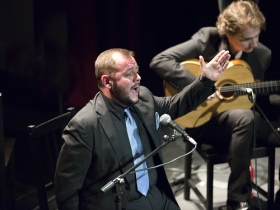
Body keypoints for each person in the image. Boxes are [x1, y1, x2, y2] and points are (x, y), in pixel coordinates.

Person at [54, 48, 230, 209]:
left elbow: (174, 105)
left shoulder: (143, 97)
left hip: (155, 195)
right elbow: (67, 192)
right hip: (119, 204)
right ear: (107, 82)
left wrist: (205, 80)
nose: (138, 78)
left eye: (136, 71)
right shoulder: (85, 126)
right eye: (129, 74)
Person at [150, 0, 280, 209]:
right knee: (246, 118)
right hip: (203, 120)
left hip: (240, 123)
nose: (253, 43)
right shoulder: (207, 38)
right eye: (246, 39)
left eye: (257, 36)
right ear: (228, 33)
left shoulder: (262, 54)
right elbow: (160, 60)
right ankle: (238, 199)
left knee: (250, 118)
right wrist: (203, 85)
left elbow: (254, 97)